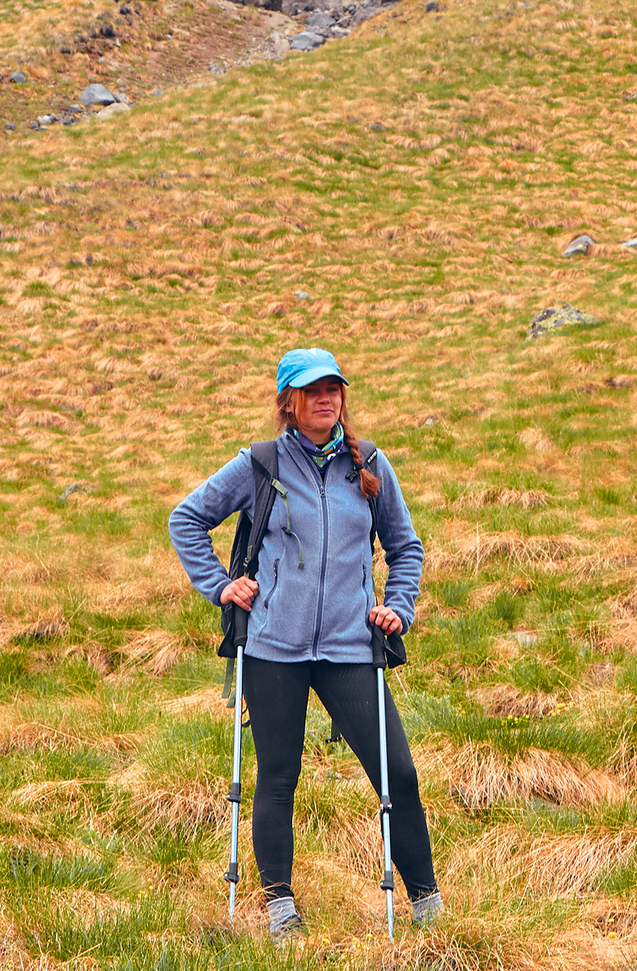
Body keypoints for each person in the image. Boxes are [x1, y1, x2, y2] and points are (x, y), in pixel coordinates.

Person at [169, 346, 442, 939]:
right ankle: (279, 908)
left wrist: (397, 607)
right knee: (277, 778)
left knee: (397, 772)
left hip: (350, 647)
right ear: (288, 403)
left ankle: (426, 902)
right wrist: (221, 586)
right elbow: (186, 519)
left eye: (335, 388)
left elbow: (406, 547)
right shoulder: (260, 465)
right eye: (313, 390)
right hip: (273, 650)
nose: (327, 398)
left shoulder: (369, 464)